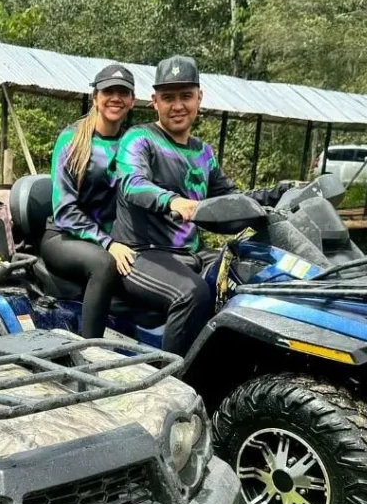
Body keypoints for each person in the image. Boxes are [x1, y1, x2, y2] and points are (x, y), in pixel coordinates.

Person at [111, 56, 279, 357]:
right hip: (139, 252)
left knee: (253, 276)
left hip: (190, 252)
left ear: (199, 98)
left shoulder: (203, 153)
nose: (178, 105)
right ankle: (173, 383)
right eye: (168, 97)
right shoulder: (139, 139)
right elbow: (133, 183)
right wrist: (174, 201)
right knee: (193, 295)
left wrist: (276, 196)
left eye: (185, 96)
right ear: (154, 102)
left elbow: (231, 198)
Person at [39, 63, 137, 337]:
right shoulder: (72, 140)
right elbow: (65, 210)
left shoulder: (133, 143)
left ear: (131, 101)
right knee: (104, 264)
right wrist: (109, 243)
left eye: (123, 92)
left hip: (114, 239)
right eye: (108, 90)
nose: (115, 97)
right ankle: (90, 351)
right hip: (63, 237)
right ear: (96, 97)